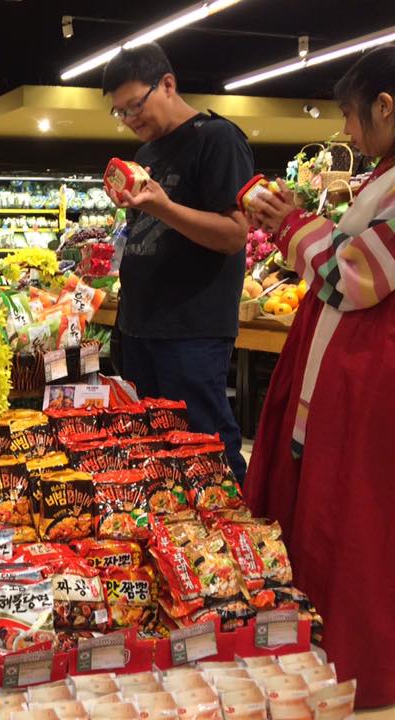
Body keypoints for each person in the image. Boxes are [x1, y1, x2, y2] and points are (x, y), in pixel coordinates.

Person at [242, 46, 395, 709]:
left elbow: (354, 276)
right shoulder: (385, 176)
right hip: (355, 373)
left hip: (372, 382)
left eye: (351, 116)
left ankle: (357, 665)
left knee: (355, 520)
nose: (347, 132)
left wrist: (292, 225)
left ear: (385, 107)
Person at [101, 44, 253, 480]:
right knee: (156, 453)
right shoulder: (148, 154)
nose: (129, 120)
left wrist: (164, 207)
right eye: (120, 112)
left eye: (135, 105)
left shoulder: (218, 139)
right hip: (139, 326)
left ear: (167, 84)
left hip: (192, 329)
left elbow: (234, 233)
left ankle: (239, 522)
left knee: (206, 448)